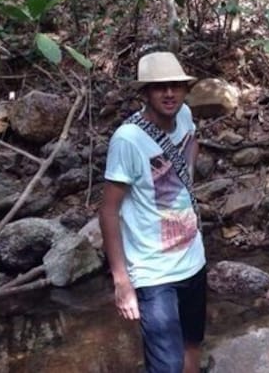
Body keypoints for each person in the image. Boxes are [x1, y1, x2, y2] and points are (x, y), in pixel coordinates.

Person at [99, 51, 206, 373]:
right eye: (160, 87)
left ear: (185, 90)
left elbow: (192, 144)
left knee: (192, 344)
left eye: (175, 86)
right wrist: (122, 282)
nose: (169, 93)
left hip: (193, 259)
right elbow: (108, 212)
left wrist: (185, 187)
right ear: (145, 93)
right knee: (166, 365)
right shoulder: (128, 140)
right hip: (152, 271)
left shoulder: (184, 115)